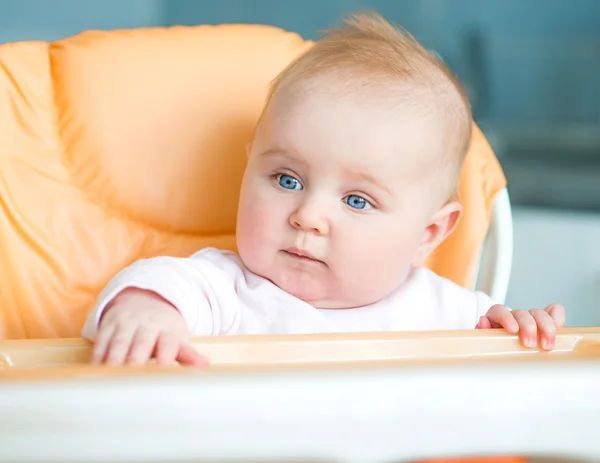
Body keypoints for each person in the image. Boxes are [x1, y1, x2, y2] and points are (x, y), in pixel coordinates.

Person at [81, 11, 565, 366]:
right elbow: (161, 283)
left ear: (428, 234)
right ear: (250, 170)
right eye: (287, 180)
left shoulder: (447, 311)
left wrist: (520, 333)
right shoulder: (224, 291)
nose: (307, 215)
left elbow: (499, 376)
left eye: (357, 200)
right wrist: (146, 312)